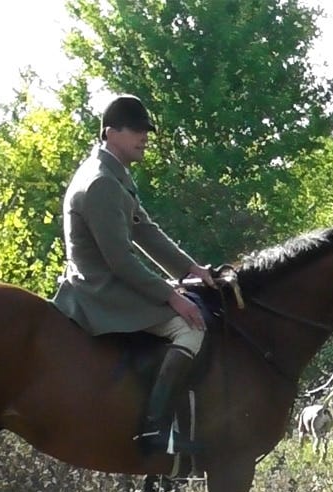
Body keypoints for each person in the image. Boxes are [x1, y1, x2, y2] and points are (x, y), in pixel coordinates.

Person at [52, 94, 215, 456]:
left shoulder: (114, 173)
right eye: (137, 130)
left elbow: (145, 230)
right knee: (190, 327)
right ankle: (154, 430)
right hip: (100, 289)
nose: (145, 137)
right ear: (111, 133)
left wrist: (191, 270)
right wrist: (173, 296)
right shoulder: (101, 182)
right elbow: (120, 260)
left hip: (108, 278)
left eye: (146, 130)